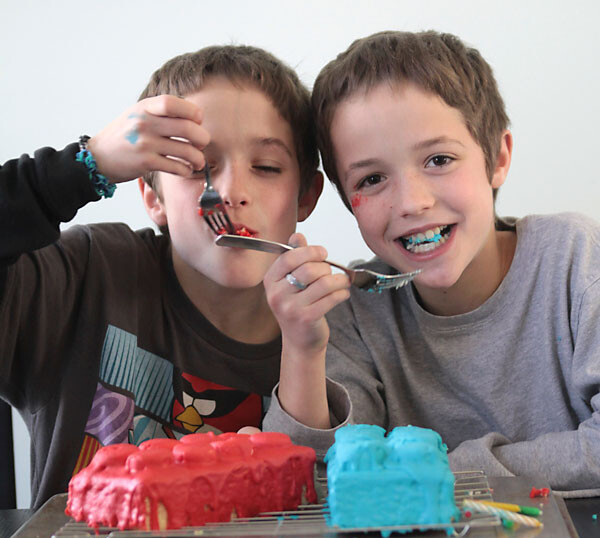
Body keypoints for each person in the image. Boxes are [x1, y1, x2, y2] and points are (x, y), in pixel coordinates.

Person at [262, 30, 600, 497]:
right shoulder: (354, 311)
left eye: (438, 159)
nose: (412, 202)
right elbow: (318, 481)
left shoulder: (577, 262)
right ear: (346, 199)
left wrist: (442, 470)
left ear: (497, 158)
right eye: (373, 178)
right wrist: (301, 349)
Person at [0, 45, 322, 509]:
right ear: (153, 197)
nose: (231, 192)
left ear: (306, 197)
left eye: (266, 167)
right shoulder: (83, 278)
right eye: (198, 168)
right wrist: (84, 166)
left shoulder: (337, 325)